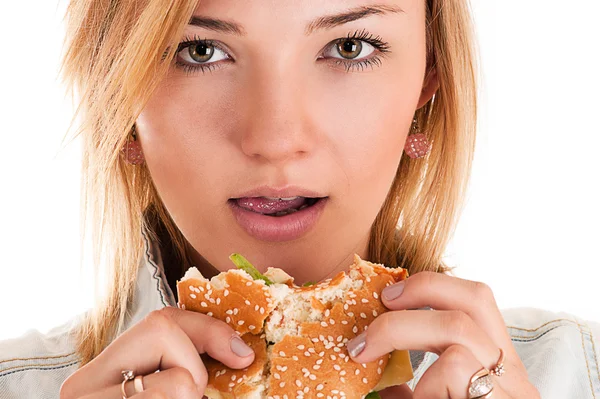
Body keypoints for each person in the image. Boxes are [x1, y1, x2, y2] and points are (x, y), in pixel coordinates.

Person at [1, 0, 598, 398]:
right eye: (200, 51)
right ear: (117, 97)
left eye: (348, 48)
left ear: (429, 78)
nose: (277, 140)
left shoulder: (578, 373)